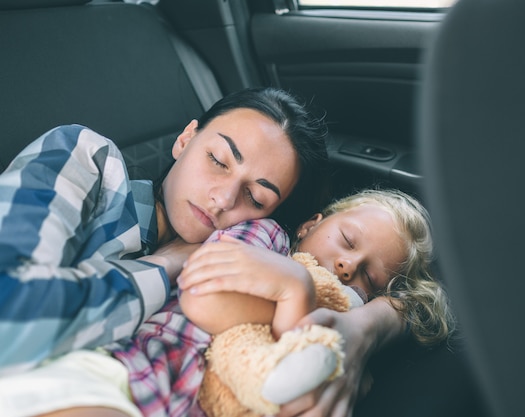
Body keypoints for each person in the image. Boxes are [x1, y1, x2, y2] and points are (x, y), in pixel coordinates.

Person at [0, 189, 453, 417]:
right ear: (309, 224)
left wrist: (371, 319)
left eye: (370, 277)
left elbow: (420, 311)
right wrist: (295, 289)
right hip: (128, 379)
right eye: (347, 240)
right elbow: (205, 294)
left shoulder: (342, 335)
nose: (346, 266)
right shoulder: (265, 239)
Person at [0, 86, 328, 378]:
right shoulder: (87, 158)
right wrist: (166, 264)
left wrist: (376, 321)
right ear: (185, 140)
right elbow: (9, 314)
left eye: (255, 198)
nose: (223, 199)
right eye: (218, 159)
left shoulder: (235, 283)